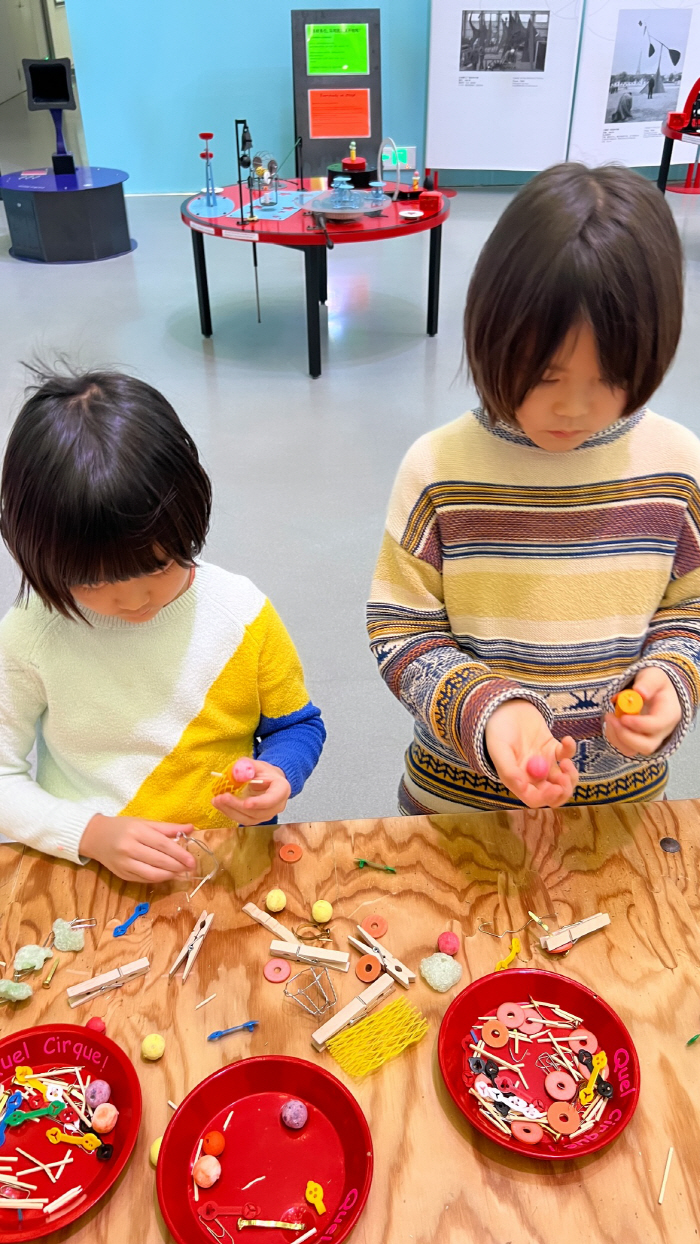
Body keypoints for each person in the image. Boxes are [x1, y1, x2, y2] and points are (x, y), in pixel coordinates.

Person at [368, 162, 699, 814]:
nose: (574, 408)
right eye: (546, 375)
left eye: (611, 377)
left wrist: (672, 677)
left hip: (619, 812)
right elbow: (400, 631)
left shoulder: (679, 466)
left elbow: (691, 611)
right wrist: (489, 712)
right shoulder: (438, 469)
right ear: (490, 330)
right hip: (460, 808)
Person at [0, 369, 325, 880]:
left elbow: (298, 725)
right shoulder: (29, 634)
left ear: (190, 520)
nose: (133, 599)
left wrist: (280, 774)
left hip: (223, 862)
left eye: (157, 566)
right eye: (91, 580)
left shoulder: (242, 614)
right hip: (88, 869)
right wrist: (89, 832)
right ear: (35, 554)